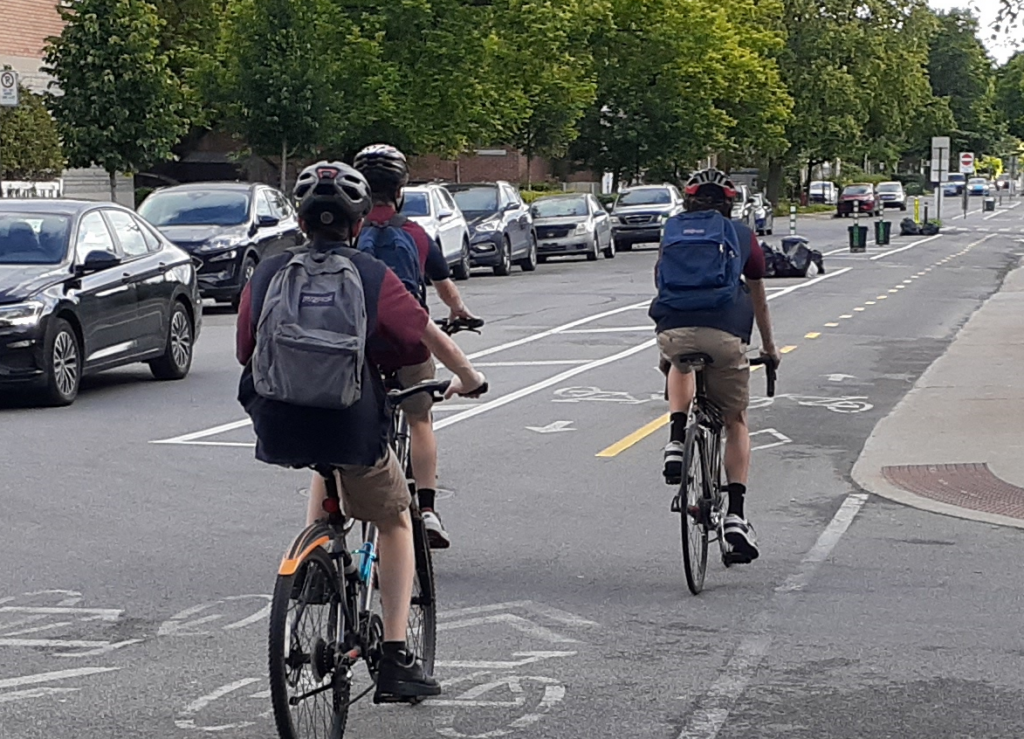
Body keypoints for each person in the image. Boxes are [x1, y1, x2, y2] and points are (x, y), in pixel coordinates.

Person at [234, 162, 486, 701]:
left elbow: (243, 350)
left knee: (321, 465)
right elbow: (421, 338)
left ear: (300, 222)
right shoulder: (370, 273)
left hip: (277, 419)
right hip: (348, 419)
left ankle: (314, 569)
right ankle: (395, 656)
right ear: (356, 223)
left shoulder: (267, 272)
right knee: (396, 517)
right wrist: (468, 377)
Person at [649, 168, 781, 562]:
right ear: (730, 204)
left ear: (688, 202)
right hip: (725, 336)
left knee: (678, 362)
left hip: (673, 328)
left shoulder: (671, 230)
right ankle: (736, 517)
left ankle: (676, 439)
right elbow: (758, 296)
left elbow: (661, 282)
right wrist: (770, 348)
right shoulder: (741, 235)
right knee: (735, 420)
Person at [353, 143, 478, 549]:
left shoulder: (353, 234)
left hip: (363, 349)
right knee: (420, 420)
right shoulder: (415, 234)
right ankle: (427, 507)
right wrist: (460, 312)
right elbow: (444, 287)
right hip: (409, 345)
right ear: (400, 189)